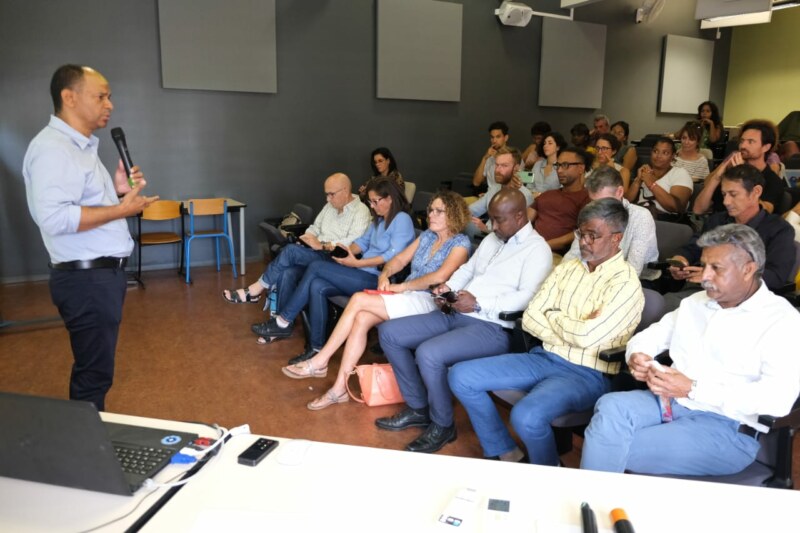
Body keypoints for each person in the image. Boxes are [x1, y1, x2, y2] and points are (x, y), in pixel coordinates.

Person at [581, 224, 800, 476]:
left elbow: (778, 401)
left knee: (613, 445)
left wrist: (693, 388)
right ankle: (599, 503)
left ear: (748, 269)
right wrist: (638, 355)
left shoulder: (781, 320)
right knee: (610, 406)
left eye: (716, 268)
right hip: (671, 403)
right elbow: (651, 336)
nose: (704, 276)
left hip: (727, 426)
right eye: (704, 265)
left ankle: (592, 505)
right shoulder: (696, 303)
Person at [449, 199, 645, 466]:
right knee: (460, 375)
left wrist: (552, 315)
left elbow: (588, 338)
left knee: (526, 415)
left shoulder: (626, 283)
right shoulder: (567, 268)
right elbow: (530, 319)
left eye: (593, 235)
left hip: (586, 373)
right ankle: (505, 450)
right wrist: (569, 325)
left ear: (617, 238)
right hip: (544, 356)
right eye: (580, 233)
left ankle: (548, 469)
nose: (584, 242)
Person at [375, 190, 553, 454]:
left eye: (499, 220)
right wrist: (447, 289)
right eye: (491, 219)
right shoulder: (494, 238)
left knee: (429, 354)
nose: (493, 226)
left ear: (520, 216)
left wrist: (479, 303)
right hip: (457, 310)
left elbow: (528, 298)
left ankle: (442, 424)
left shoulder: (538, 250)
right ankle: (418, 408)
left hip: (492, 327)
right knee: (390, 333)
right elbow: (468, 270)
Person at [22, 64, 158, 411]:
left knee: (96, 369)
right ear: (69, 97)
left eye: (110, 96)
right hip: (86, 279)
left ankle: (88, 442)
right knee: (93, 374)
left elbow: (84, 205)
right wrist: (122, 209)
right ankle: (87, 452)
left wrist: (116, 192)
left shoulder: (81, 148)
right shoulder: (54, 149)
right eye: (100, 96)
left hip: (98, 276)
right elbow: (54, 217)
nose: (109, 104)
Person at [281, 192, 472, 410]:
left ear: (454, 215)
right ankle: (339, 389)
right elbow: (399, 260)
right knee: (361, 318)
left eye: (439, 211)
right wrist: (384, 274)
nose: (431, 215)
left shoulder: (461, 243)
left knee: (359, 299)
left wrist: (401, 286)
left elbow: (440, 277)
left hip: (430, 301)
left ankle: (320, 361)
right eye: (431, 210)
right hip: (408, 296)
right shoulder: (428, 235)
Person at [252, 177, 415, 364]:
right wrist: (346, 253)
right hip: (362, 272)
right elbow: (361, 243)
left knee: (316, 267)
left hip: (378, 280)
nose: (372, 206)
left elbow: (392, 256)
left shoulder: (402, 220)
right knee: (317, 285)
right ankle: (315, 347)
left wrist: (356, 264)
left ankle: (283, 321)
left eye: (375, 201)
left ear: (390, 199)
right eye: (370, 201)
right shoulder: (379, 220)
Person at [223, 173, 371, 306]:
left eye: (331, 194)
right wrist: (309, 237)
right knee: (288, 273)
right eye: (326, 194)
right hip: (317, 252)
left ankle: (255, 290)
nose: (328, 199)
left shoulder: (360, 211)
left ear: (345, 191)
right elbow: (315, 227)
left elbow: (353, 243)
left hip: (336, 259)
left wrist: (322, 245)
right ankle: (280, 323)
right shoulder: (330, 206)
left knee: (290, 251)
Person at [666, 165, 794, 304]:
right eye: (724, 194)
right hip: (701, 292)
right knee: (667, 306)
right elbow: (694, 247)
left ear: (756, 192)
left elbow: (775, 277)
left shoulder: (779, 229)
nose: (726, 202)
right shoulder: (717, 220)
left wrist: (720, 275)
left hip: (746, 300)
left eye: (733, 194)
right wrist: (681, 259)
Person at [563, 167, 658, 279]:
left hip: (640, 279)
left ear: (619, 192)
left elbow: (633, 271)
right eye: (593, 201)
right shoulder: (591, 212)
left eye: (603, 202)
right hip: (597, 273)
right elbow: (574, 254)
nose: (598, 208)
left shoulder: (641, 216)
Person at [693, 119, 786, 215]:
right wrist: (717, 177)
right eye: (742, 141)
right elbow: (698, 209)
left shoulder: (772, 180)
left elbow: (763, 212)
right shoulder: (730, 173)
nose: (743, 146)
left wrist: (743, 175)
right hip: (719, 225)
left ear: (766, 147)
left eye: (750, 142)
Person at [530, 147, 592, 253]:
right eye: (558, 165)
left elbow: (580, 233)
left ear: (581, 168)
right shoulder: (547, 195)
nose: (559, 170)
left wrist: (542, 246)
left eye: (565, 165)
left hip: (555, 254)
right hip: (530, 246)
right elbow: (524, 221)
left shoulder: (587, 199)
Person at [468, 147, 534, 238]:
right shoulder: (494, 189)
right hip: (485, 236)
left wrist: (486, 230)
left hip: (504, 243)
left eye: (504, 166)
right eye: (497, 165)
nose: (498, 170)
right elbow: (471, 210)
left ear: (516, 168)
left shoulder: (524, 195)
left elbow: (518, 235)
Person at [625, 137, 693, 219]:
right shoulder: (646, 172)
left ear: (673, 156)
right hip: (637, 216)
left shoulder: (680, 173)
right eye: (655, 151)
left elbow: (677, 207)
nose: (658, 156)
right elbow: (626, 202)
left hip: (664, 221)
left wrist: (651, 184)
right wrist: (638, 181)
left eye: (665, 153)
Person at [472, 121, 509, 190]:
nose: (494, 141)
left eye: (498, 137)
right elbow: (476, 183)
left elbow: (516, 184)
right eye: (492, 137)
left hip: (506, 197)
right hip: (489, 197)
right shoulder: (489, 158)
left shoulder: (514, 157)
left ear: (506, 138)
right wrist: (484, 158)